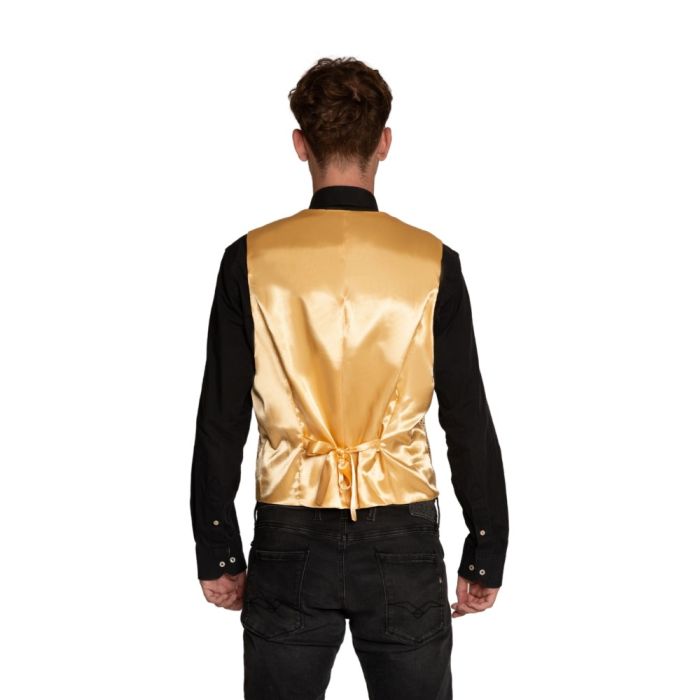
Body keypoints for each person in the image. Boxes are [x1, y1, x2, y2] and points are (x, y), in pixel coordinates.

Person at [190, 56, 509, 700]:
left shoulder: (250, 260)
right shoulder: (432, 262)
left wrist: (216, 546)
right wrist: (486, 545)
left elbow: (221, 417)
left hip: (289, 530)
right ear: (384, 142)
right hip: (401, 534)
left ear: (300, 143)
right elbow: (466, 417)